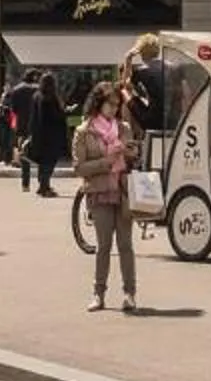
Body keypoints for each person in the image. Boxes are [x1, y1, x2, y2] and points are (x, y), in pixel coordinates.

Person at [72, 79, 141, 312]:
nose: (113, 109)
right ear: (98, 104)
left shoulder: (124, 128)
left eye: (117, 105)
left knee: (125, 245)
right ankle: (98, 293)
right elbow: (79, 167)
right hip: (99, 192)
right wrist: (106, 161)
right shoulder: (84, 131)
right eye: (110, 104)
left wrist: (131, 152)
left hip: (122, 191)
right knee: (103, 246)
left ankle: (129, 293)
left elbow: (134, 158)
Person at [22, 75, 69, 196]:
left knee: (43, 162)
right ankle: (44, 187)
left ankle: (43, 185)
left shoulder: (37, 96)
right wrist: (65, 112)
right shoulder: (49, 98)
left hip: (39, 135)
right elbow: (55, 116)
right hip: (51, 136)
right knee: (49, 162)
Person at [127, 34, 170, 134]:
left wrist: (128, 58)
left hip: (154, 121)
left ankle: (130, 131)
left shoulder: (142, 70)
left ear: (141, 52)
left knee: (125, 92)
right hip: (172, 120)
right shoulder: (171, 67)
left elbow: (125, 84)